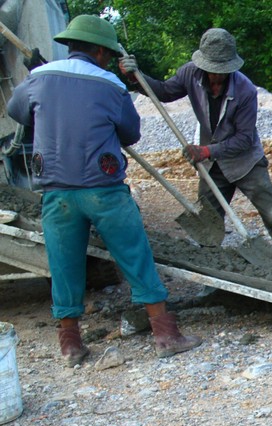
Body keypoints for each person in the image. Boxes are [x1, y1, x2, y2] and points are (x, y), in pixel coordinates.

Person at [8, 14, 201, 366]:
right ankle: (166, 334)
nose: (110, 59)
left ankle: (71, 344)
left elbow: (18, 111)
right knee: (134, 254)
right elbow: (131, 133)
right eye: (109, 54)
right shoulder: (110, 85)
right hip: (103, 187)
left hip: (57, 190)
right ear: (99, 51)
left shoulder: (39, 77)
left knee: (63, 264)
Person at [119, 28, 272, 260]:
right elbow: (163, 92)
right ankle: (213, 265)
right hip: (213, 165)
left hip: (245, 163)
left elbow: (244, 139)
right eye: (211, 71)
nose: (215, 77)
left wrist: (205, 150)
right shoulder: (190, 74)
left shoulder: (245, 91)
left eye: (221, 72)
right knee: (208, 219)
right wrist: (137, 77)